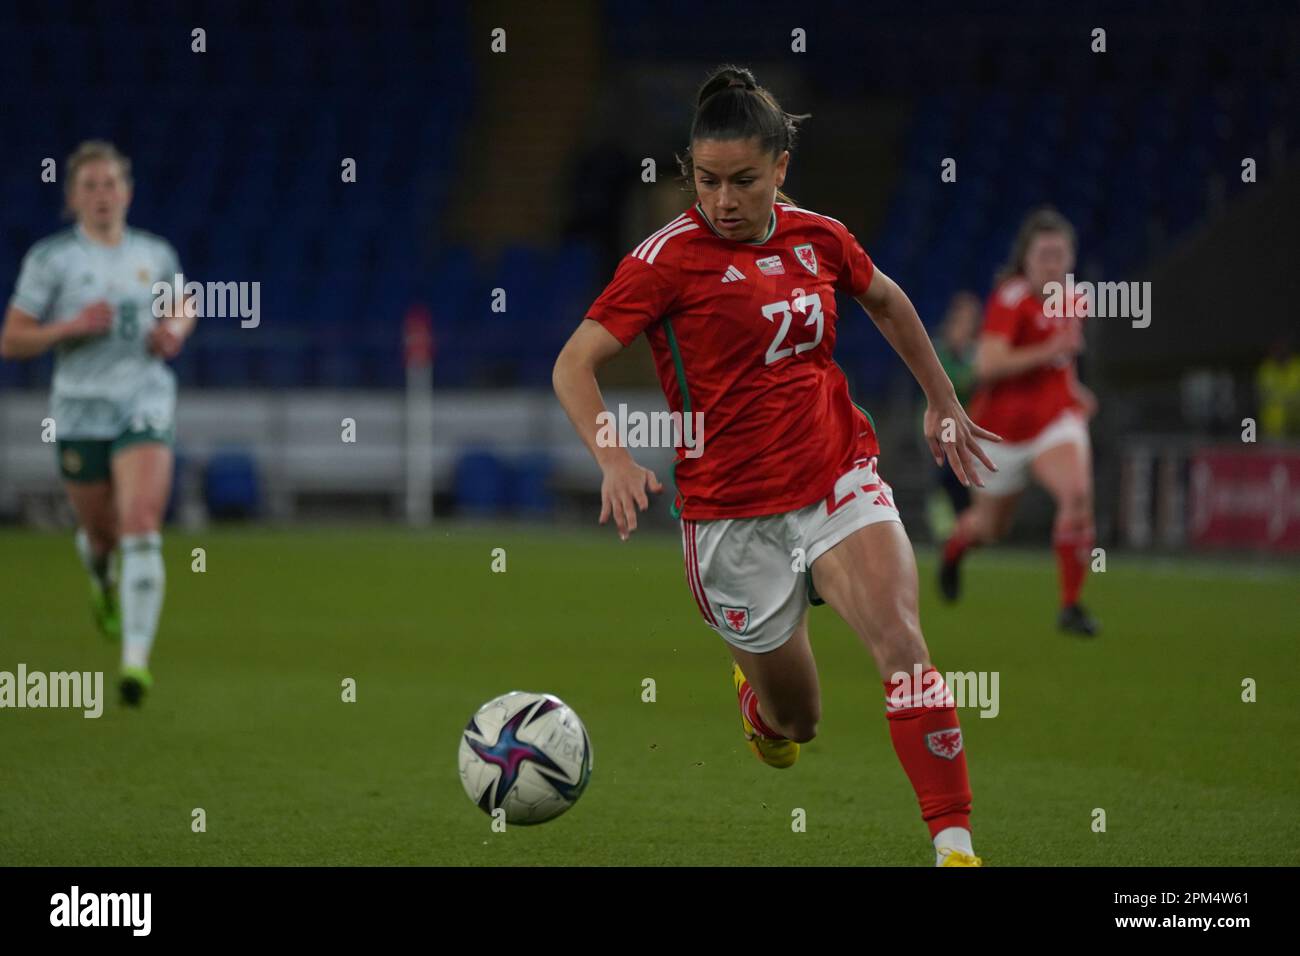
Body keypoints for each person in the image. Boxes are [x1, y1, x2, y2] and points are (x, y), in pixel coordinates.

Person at [553, 65, 999, 866]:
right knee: (800, 722)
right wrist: (613, 459)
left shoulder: (820, 238)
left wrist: (942, 400)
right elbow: (573, 364)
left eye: (744, 181)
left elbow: (889, 301)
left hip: (836, 475)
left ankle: (956, 847)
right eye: (709, 180)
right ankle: (759, 709)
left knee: (904, 645)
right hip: (730, 516)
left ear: (780, 169)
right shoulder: (664, 260)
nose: (723, 200)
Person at [0, 140, 195, 705]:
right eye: (90, 186)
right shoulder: (51, 259)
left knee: (140, 523)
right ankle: (98, 575)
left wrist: (173, 333)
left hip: (144, 400)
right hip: (81, 408)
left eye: (111, 184)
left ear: (127, 192)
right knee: (103, 533)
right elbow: (11, 339)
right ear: (73, 197)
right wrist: (69, 328)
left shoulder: (155, 253)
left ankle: (135, 664)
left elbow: (184, 303)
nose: (102, 195)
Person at [939, 208, 1099, 636]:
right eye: (1043, 254)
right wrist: (1047, 352)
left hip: (1053, 421)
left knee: (1078, 497)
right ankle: (954, 550)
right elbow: (988, 364)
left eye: (1059, 254)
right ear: (1026, 260)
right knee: (990, 529)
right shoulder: (1010, 299)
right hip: (1002, 431)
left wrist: (1076, 392)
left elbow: (1063, 362)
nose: (1052, 263)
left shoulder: (1074, 297)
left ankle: (1071, 606)